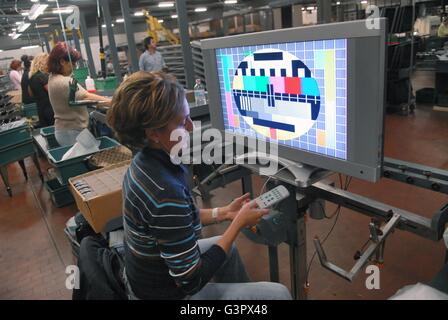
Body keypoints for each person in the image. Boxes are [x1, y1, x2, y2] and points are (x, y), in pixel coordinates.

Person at [107, 71, 292, 300]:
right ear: (154, 133)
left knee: (228, 251)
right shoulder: (164, 192)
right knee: (278, 295)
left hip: (148, 274)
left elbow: (180, 217)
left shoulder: (143, 163)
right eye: (181, 121)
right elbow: (190, 281)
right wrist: (237, 225)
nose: (191, 127)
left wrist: (224, 213)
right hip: (162, 294)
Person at [47, 42, 111, 147]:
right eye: (73, 63)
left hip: (66, 130)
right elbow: (86, 96)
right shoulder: (63, 81)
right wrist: (114, 102)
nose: (74, 67)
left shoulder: (52, 77)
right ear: (62, 61)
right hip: (72, 132)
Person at [29, 53, 54, 128]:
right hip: (49, 109)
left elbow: (31, 94)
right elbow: (52, 92)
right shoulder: (42, 76)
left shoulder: (32, 77)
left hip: (41, 109)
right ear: (44, 62)